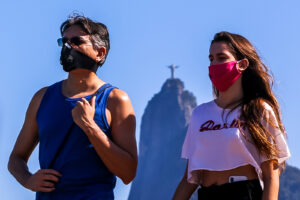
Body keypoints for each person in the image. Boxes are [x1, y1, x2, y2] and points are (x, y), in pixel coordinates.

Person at [8, 14, 138, 200]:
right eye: (64, 41)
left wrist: (90, 127)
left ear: (100, 53)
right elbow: (16, 158)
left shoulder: (116, 100)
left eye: (77, 41)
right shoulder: (42, 97)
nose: (68, 46)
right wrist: (28, 180)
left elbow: (128, 173)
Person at [173, 31, 291, 200]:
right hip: (207, 195)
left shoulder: (259, 110)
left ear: (242, 64)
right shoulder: (200, 114)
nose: (214, 64)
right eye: (211, 58)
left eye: (221, 57)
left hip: (245, 193)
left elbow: (271, 177)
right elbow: (189, 178)